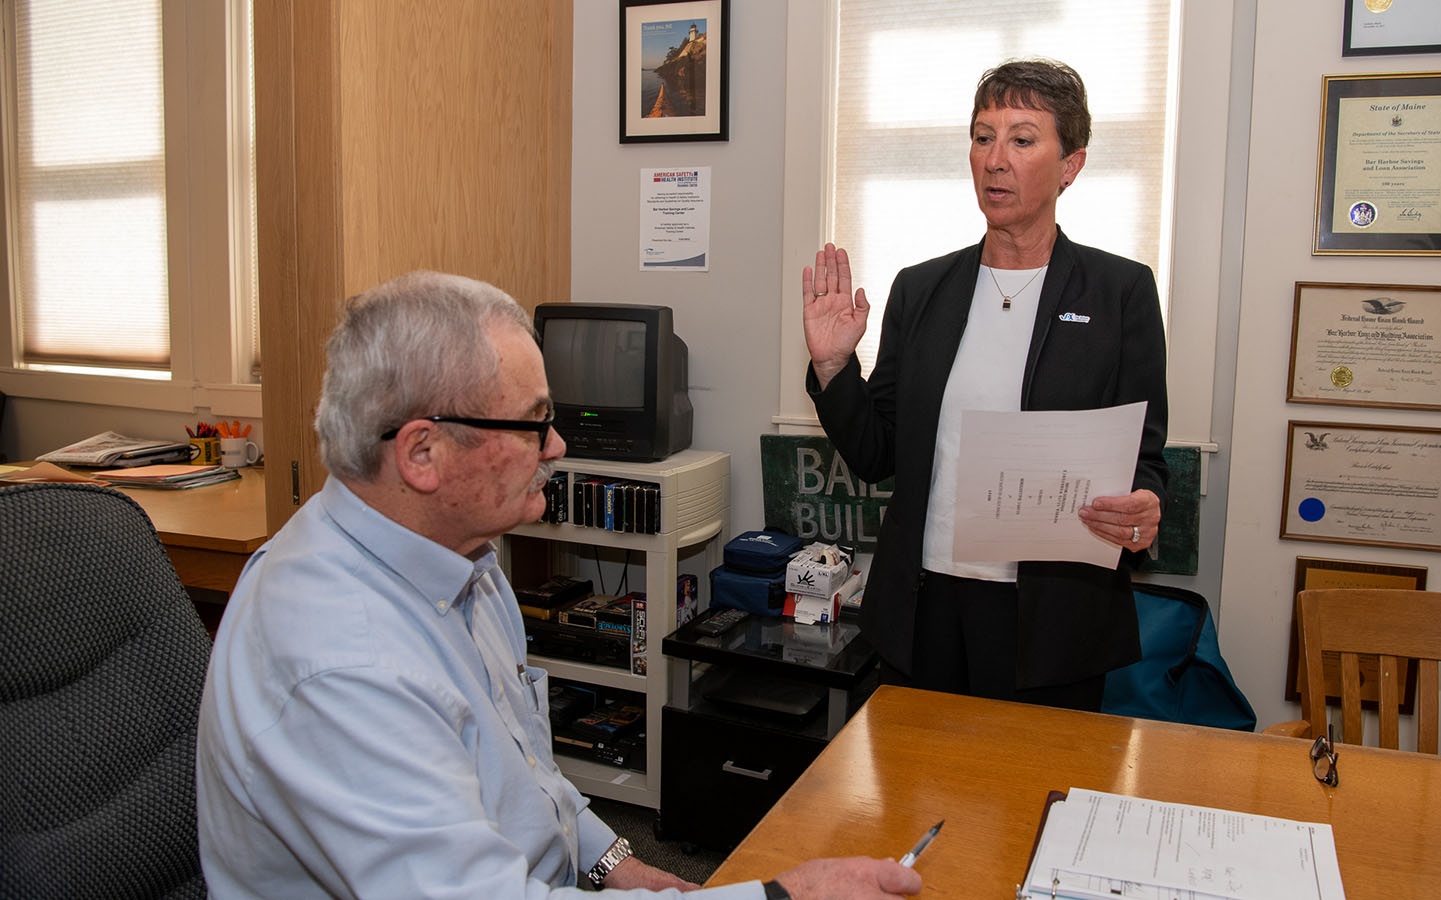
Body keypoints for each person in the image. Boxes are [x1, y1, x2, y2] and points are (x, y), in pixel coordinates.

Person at [195, 271, 921, 900]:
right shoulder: (338, 661)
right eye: (535, 424)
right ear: (422, 451)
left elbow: (525, 770)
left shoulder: (464, 563)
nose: (558, 447)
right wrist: (783, 894)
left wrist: (614, 862)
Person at [801, 59, 1169, 710]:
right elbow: (875, 453)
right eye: (982, 136)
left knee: (1036, 803)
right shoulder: (921, 289)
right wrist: (834, 367)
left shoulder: (1120, 292)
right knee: (913, 801)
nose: (995, 159)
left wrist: (1145, 508)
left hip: (1053, 620)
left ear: (1070, 165)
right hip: (924, 608)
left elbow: (1146, 458)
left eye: (1022, 139)